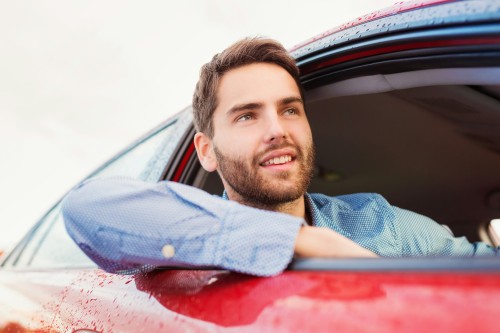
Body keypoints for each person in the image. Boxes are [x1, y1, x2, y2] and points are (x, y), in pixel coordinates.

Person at [62, 37, 498, 277]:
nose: (277, 130)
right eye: (247, 116)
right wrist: (298, 241)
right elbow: (86, 208)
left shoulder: (381, 223)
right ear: (207, 152)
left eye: (290, 109)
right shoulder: (175, 241)